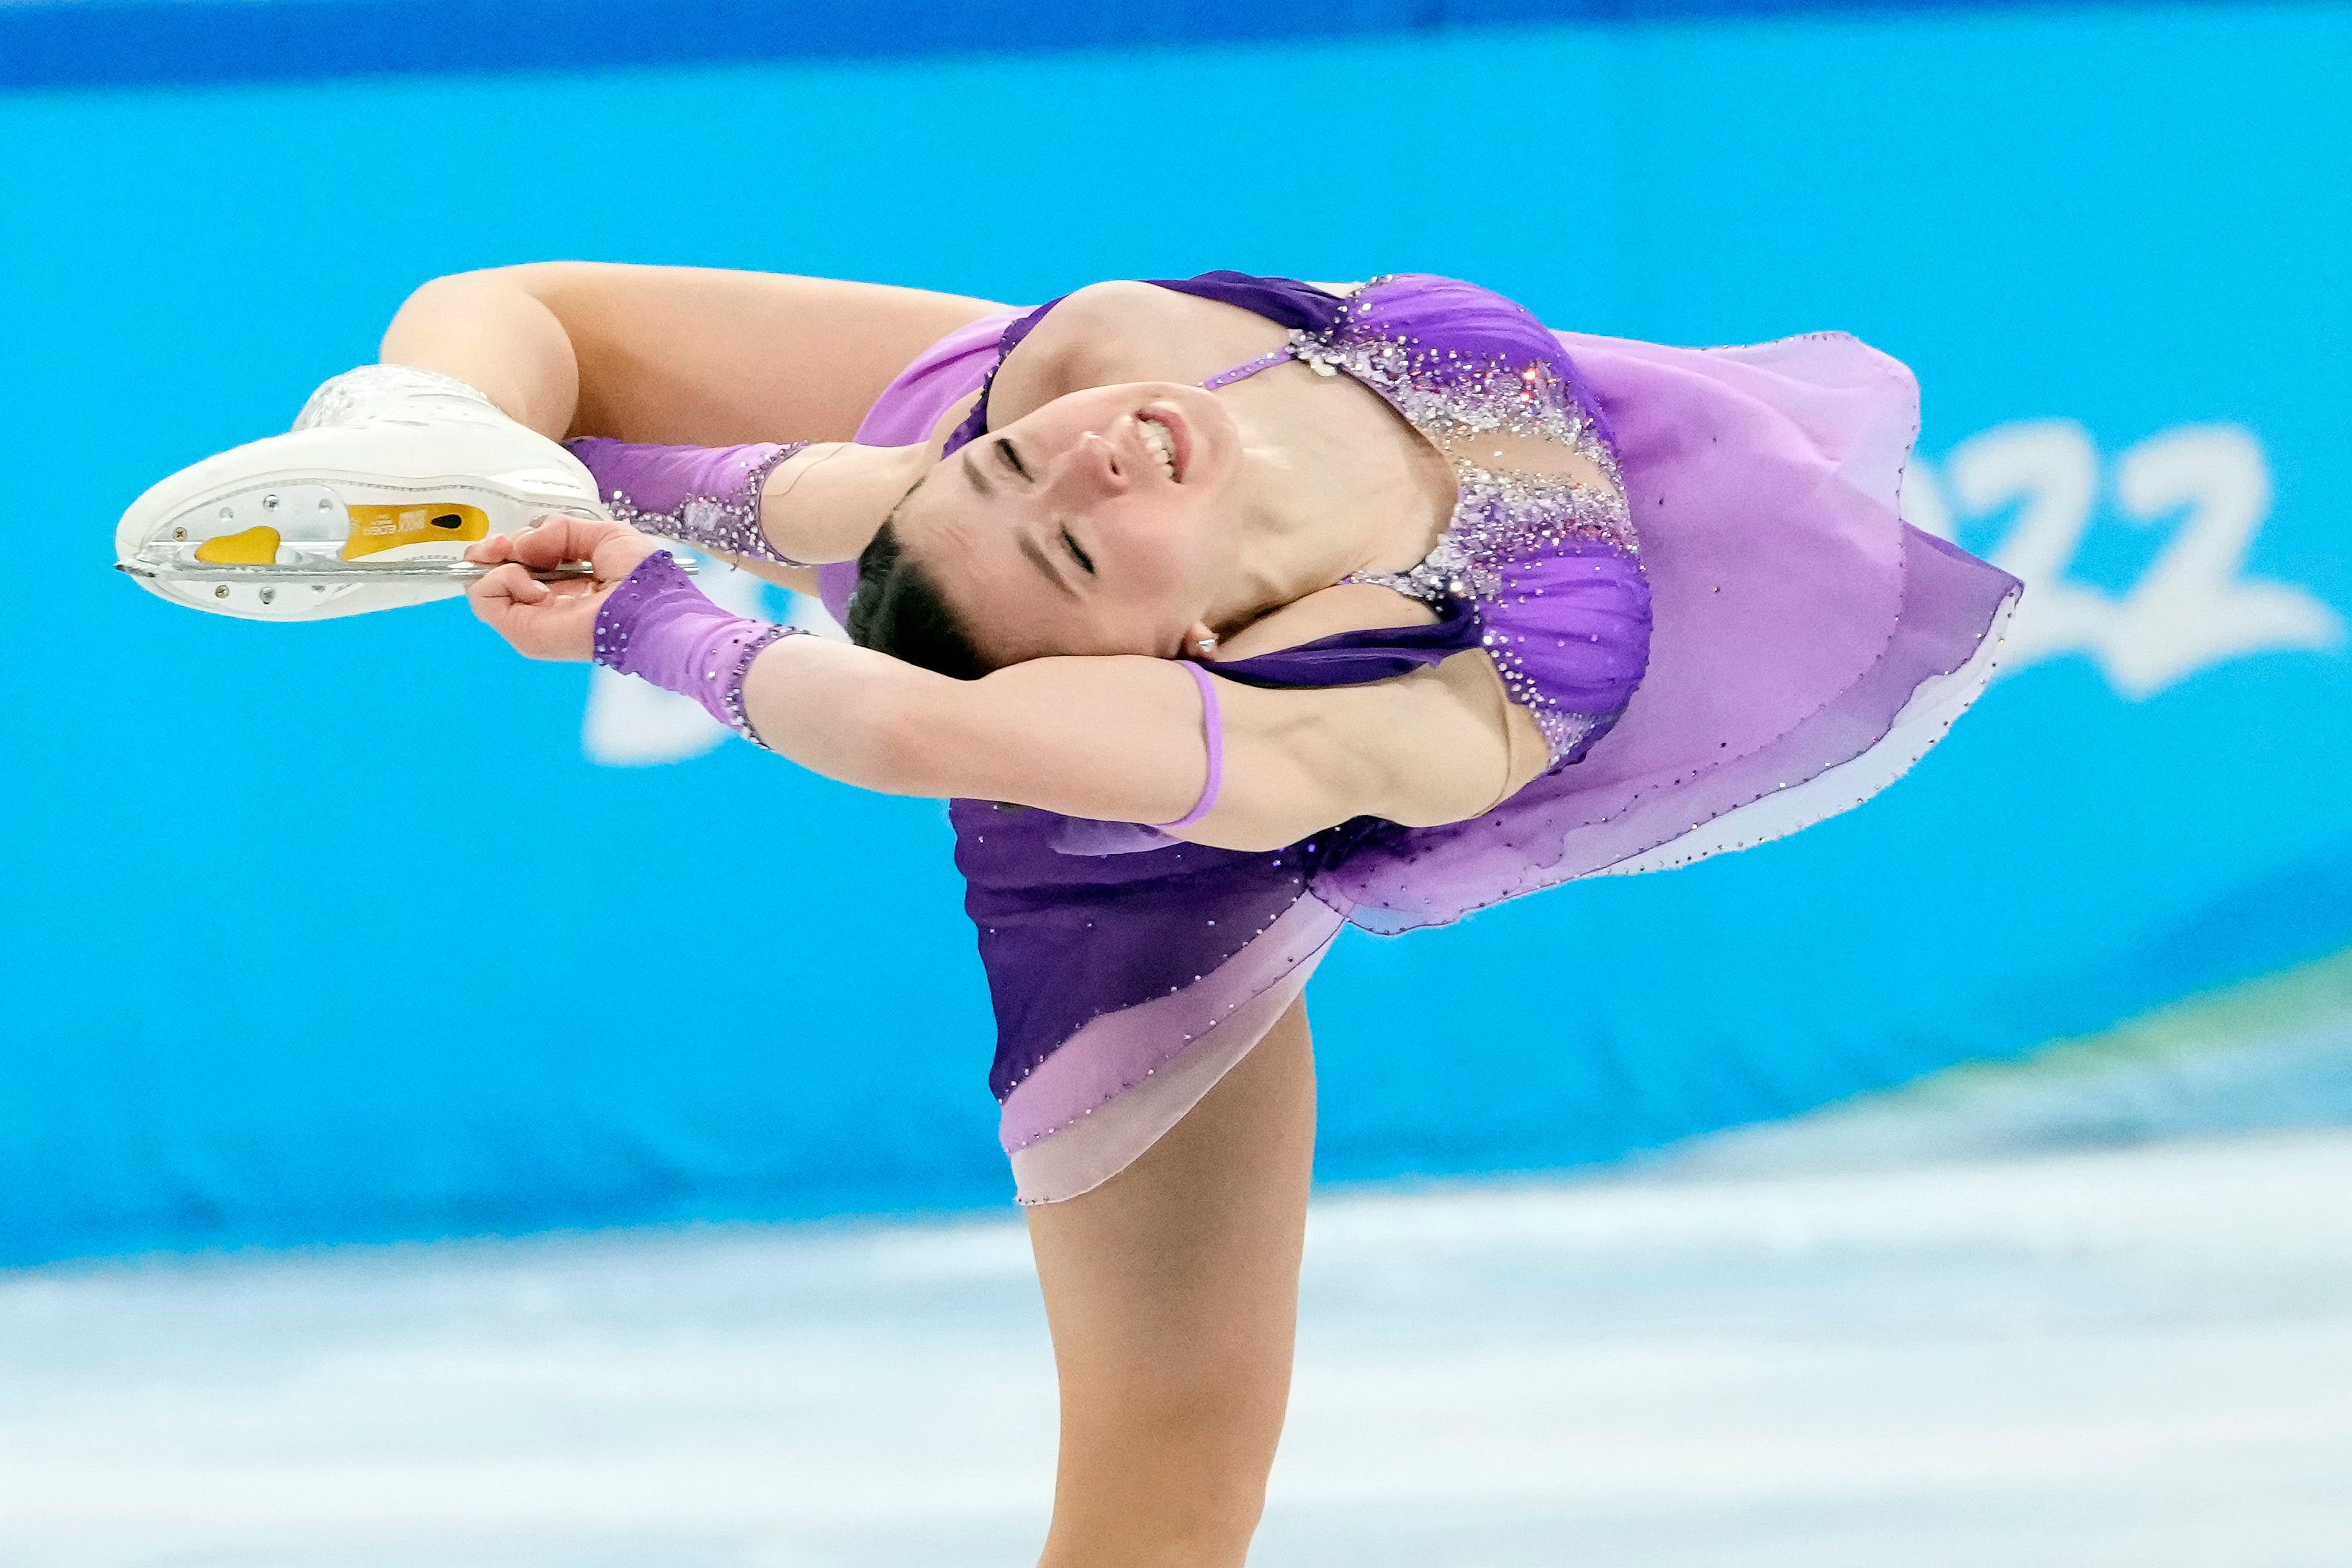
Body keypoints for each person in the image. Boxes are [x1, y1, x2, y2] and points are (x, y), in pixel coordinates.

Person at [117, 262, 2021, 1565]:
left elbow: (868, 498)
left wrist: (547, 490)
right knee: (1166, 1469)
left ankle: (420, 436)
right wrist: (640, 616)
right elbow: (898, 717)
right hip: (1120, 829)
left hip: (990, 545)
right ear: (1175, 648)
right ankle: (458, 457)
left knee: (526, 327)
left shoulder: (1093, 373)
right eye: (1076, 534)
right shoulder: (1392, 719)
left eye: (1042, 470)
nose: (1100, 458)